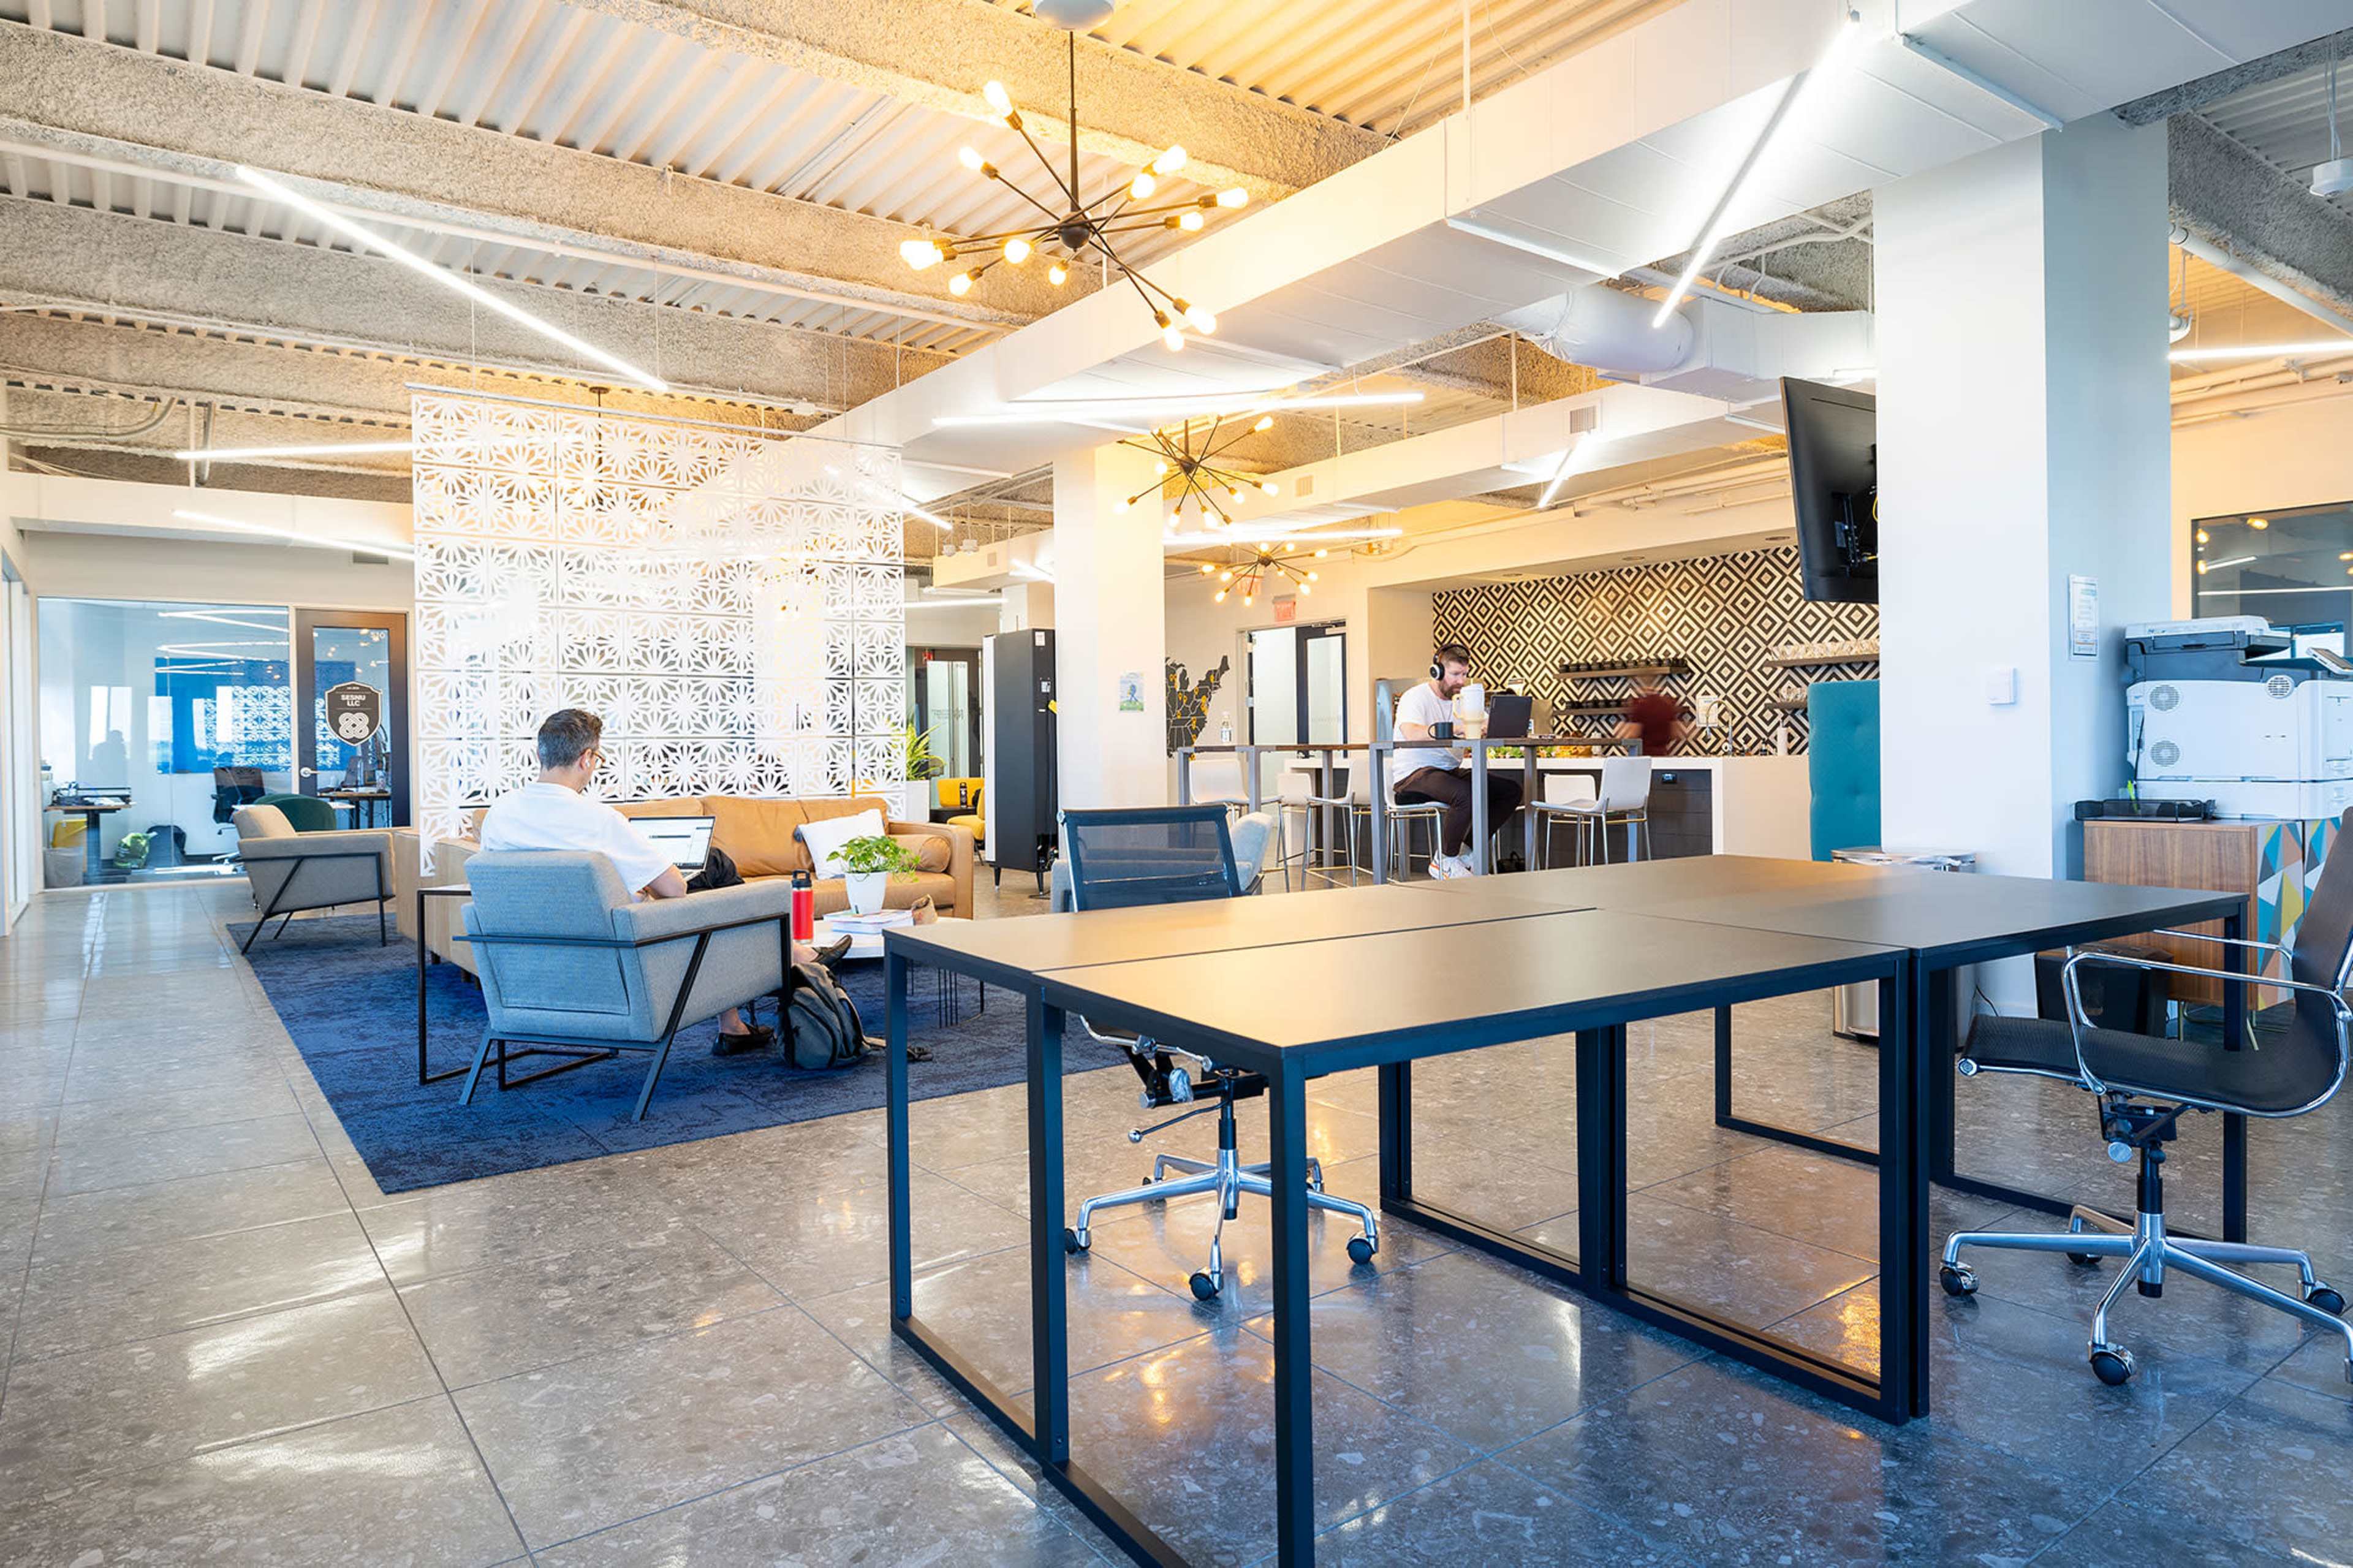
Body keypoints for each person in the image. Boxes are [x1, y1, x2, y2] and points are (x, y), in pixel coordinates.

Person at [480, 709, 842, 1057]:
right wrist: (646, 885)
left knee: (704, 879)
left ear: (541, 754)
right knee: (714, 867)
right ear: (587, 759)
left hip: (532, 968)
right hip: (627, 957)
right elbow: (674, 890)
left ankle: (735, 1022)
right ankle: (792, 957)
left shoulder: (499, 816)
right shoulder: (597, 819)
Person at [1392, 644, 1521, 879]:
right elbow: (1412, 732)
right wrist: (1460, 729)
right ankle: (1445, 862)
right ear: (1437, 672)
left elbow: (1485, 723)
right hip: (1412, 776)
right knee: (1465, 793)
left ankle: (1466, 854)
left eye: (1464, 674)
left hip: (1447, 772)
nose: (1461, 681)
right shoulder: (1415, 697)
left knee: (1510, 791)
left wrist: (1495, 725)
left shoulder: (1461, 700)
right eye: (1455, 675)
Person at [1618, 674, 1688, 757]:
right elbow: (1675, 733)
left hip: (1643, 757)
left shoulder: (1641, 707)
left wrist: (1621, 732)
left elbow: (1632, 736)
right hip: (1663, 756)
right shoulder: (1666, 705)